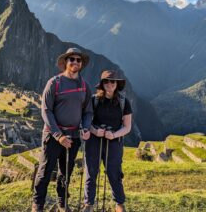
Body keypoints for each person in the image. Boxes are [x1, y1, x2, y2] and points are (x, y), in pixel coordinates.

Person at [32, 48, 93, 212]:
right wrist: (58, 135)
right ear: (65, 62)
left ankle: (62, 203)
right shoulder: (54, 83)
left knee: (66, 172)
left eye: (78, 60)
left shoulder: (85, 86)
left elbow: (88, 111)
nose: (75, 62)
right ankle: (37, 205)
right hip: (53, 136)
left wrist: (86, 128)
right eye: (71, 59)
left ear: (81, 64)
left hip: (73, 136)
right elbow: (46, 110)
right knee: (45, 171)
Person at [83, 70, 132, 212]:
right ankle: (89, 204)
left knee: (114, 173)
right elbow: (86, 120)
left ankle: (119, 203)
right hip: (94, 140)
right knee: (91, 172)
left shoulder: (124, 102)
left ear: (117, 84)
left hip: (114, 142)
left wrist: (115, 135)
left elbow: (127, 127)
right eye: (106, 81)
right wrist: (94, 131)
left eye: (112, 81)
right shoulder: (94, 100)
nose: (110, 84)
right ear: (102, 84)